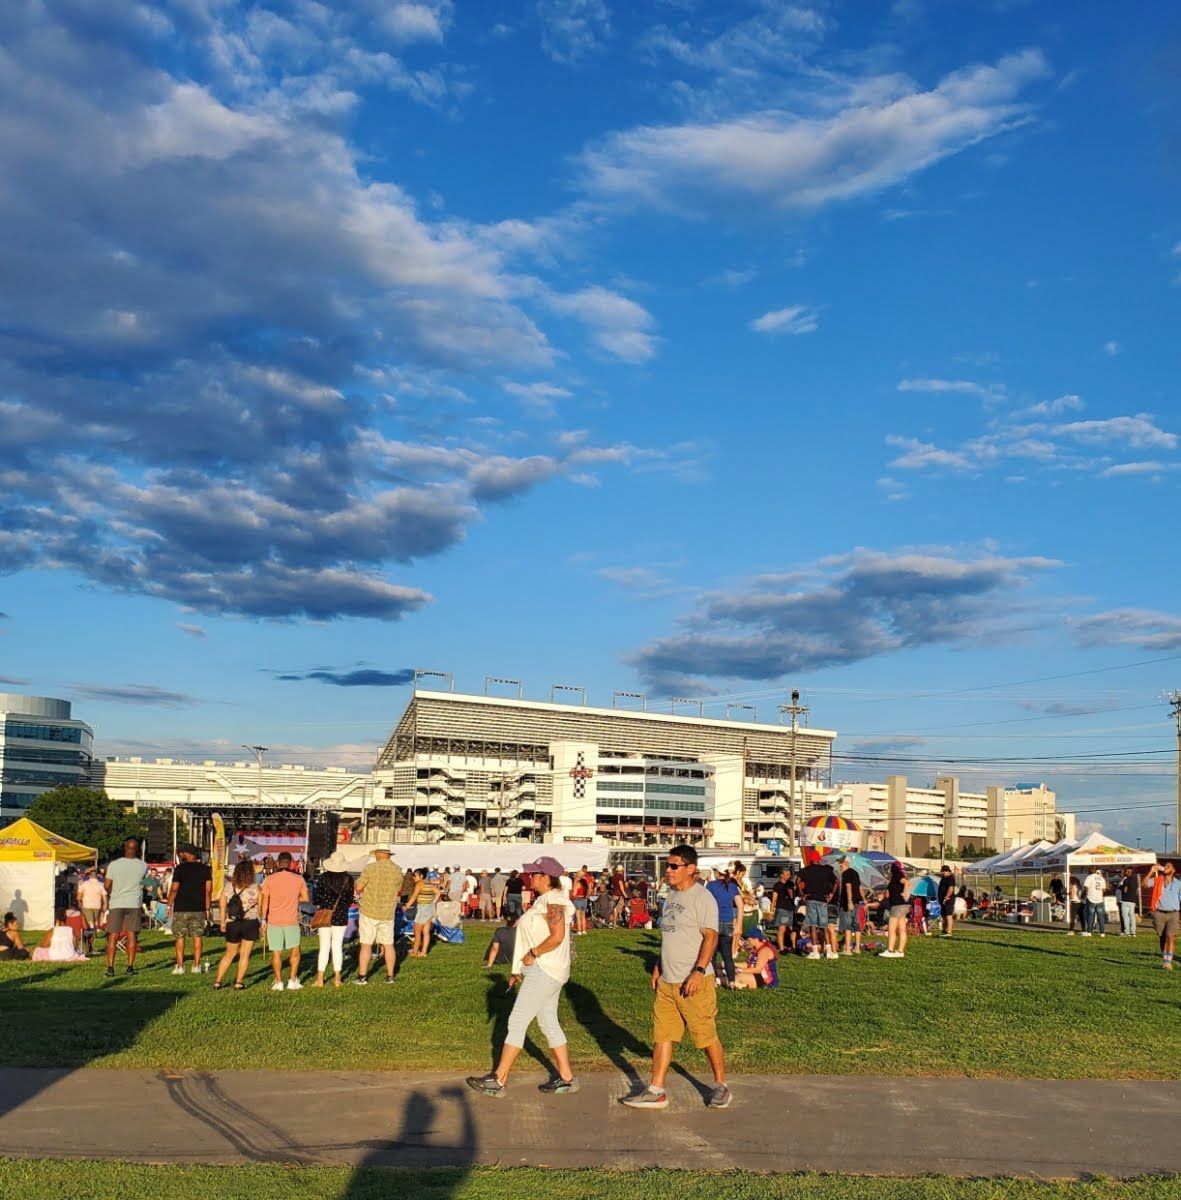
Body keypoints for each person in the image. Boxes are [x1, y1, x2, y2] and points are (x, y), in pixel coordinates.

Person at [622, 844, 730, 1111]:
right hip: (668, 982)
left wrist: (699, 970)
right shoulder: (670, 896)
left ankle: (720, 1086)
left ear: (690, 869)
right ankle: (657, 1090)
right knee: (663, 1035)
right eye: (667, 866)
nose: (668, 871)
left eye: (673, 866)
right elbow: (669, 937)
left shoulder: (702, 898)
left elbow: (711, 937)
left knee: (705, 1036)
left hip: (695, 981)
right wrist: (658, 966)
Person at [467, 857, 578, 1097]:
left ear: (548, 878)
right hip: (544, 969)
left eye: (536, 874)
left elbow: (557, 937)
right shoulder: (544, 900)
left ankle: (499, 1079)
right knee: (548, 1022)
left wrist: (533, 954)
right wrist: (517, 969)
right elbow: (528, 936)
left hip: (545, 969)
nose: (531, 877)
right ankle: (567, 1078)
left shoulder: (555, 901)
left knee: (517, 1021)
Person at [353, 844, 403, 985]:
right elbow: (399, 889)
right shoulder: (397, 870)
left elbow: (359, 887)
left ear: (378, 854)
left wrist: (358, 882)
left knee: (366, 945)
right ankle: (390, 976)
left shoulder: (370, 868)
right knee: (388, 944)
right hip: (387, 912)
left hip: (370, 910)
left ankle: (362, 977)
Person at [259, 851, 308, 991]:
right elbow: (305, 898)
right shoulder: (298, 879)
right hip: (291, 921)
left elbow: (264, 902)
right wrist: (294, 899)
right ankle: (292, 979)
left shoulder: (269, 879)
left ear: (278, 863)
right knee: (295, 950)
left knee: (276, 952)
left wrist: (263, 920)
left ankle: (279, 981)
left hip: (274, 920)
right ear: (291, 863)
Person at [214, 859, 261, 990]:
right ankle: (239, 982)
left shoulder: (229, 887)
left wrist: (223, 922)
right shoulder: (255, 888)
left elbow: (222, 905)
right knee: (245, 955)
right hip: (250, 922)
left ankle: (218, 981)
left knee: (229, 954)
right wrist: (263, 922)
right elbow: (261, 907)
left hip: (232, 922)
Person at [103, 837, 147, 977]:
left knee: (113, 935)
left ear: (125, 847)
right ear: (137, 850)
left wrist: (113, 894)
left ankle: (110, 967)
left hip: (117, 903)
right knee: (131, 935)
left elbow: (107, 886)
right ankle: (130, 966)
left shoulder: (114, 865)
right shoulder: (143, 865)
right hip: (133, 903)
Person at [166, 843, 212, 974]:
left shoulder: (180, 869)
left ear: (187, 853)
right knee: (197, 937)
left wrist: (169, 905)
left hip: (181, 907)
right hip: (199, 908)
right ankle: (196, 966)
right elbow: (208, 890)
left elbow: (174, 888)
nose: (180, 855)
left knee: (180, 937)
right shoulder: (205, 869)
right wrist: (207, 908)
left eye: (181, 853)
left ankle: (180, 966)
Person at [312, 851, 354, 988]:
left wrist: (326, 903)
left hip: (325, 915)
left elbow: (316, 898)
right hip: (341, 916)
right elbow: (349, 900)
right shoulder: (349, 879)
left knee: (324, 947)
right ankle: (337, 978)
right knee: (337, 946)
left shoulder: (323, 878)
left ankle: (319, 979)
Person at [705, 867, 740, 987]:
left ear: (717, 872)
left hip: (714, 922)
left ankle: (713, 980)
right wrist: (739, 923)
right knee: (727, 955)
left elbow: (706, 903)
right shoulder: (732, 886)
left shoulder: (710, 885)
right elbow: (740, 905)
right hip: (728, 922)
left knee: (712, 954)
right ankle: (732, 982)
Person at [800, 855, 839, 960]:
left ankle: (815, 952)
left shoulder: (806, 870)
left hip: (811, 899)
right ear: (819, 859)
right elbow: (836, 882)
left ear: (811, 860)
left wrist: (802, 895)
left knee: (812, 926)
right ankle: (829, 951)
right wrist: (831, 893)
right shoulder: (826, 870)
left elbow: (797, 881)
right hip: (823, 900)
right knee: (824, 926)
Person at [1145, 860, 1180, 969]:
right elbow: (1144, 884)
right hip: (1159, 913)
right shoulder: (1157, 880)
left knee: (1170, 936)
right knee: (1162, 937)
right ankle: (1165, 958)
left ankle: (1168, 962)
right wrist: (1151, 871)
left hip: (1173, 914)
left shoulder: (1178, 884)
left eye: (1169, 866)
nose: (1166, 867)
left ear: (1173, 870)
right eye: (1165, 866)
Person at [880, 862, 911, 958]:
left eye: (889, 869)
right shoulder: (897, 877)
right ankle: (900, 951)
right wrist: (883, 894)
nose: (888, 870)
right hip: (904, 905)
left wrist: (905, 894)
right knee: (902, 929)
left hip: (897, 905)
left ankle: (890, 950)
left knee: (892, 929)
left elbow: (907, 883)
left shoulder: (897, 875)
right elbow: (889, 894)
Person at [406, 867, 438, 958]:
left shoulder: (419, 884)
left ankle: (415, 952)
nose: (413, 877)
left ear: (421, 876)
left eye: (415, 875)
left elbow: (414, 896)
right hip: (430, 908)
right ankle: (423, 952)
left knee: (417, 931)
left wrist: (407, 906)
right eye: (413, 875)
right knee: (426, 932)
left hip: (423, 909)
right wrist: (433, 901)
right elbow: (438, 892)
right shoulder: (429, 883)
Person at [838, 856, 863, 955]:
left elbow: (848, 886)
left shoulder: (846, 873)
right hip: (856, 902)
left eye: (841, 863)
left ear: (846, 863)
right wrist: (864, 900)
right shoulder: (855, 873)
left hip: (848, 903)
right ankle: (857, 948)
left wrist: (849, 900)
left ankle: (847, 949)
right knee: (856, 926)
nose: (840, 865)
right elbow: (860, 887)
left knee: (847, 925)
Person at [76, 868, 106, 938]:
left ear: (89, 874)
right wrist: (105, 903)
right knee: (96, 919)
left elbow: (79, 895)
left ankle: (90, 931)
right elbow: (104, 893)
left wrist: (79, 900)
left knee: (88, 918)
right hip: (97, 904)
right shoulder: (101, 881)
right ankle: (95, 930)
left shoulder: (83, 881)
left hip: (87, 903)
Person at [770, 867, 795, 953]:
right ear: (781, 875)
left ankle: (793, 946)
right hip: (782, 909)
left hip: (791, 909)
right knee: (782, 928)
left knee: (792, 929)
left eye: (789, 874)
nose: (789, 876)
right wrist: (771, 911)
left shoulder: (791, 884)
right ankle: (781, 948)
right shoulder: (778, 885)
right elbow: (774, 899)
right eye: (787, 874)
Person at [1082, 868, 1107, 937]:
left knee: (1090, 915)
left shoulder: (1089, 877)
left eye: (1089, 869)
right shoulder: (1101, 878)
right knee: (1101, 916)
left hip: (1091, 898)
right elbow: (1104, 890)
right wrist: (1101, 895)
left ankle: (1089, 932)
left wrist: (1083, 895)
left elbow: (1086, 888)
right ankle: (1102, 932)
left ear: (1091, 870)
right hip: (1100, 899)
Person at [1116, 868, 1139, 938]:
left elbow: (1125, 890)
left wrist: (1122, 889)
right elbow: (1137, 891)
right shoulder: (1135, 880)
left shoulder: (1126, 880)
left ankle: (1127, 932)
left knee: (1126, 917)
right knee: (1132, 916)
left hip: (1125, 900)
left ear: (1127, 873)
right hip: (1133, 900)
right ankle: (1133, 932)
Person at [937, 865, 957, 937]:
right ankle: (944, 930)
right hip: (942, 899)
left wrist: (946, 897)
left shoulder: (950, 878)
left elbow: (951, 889)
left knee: (949, 915)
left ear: (949, 871)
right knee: (944, 916)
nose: (944, 873)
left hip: (948, 899)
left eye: (945, 871)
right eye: (943, 871)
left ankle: (949, 932)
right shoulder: (943, 878)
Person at [570, 866, 590, 936]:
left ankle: (579, 931)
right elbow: (588, 893)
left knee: (578, 916)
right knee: (583, 916)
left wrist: (571, 893)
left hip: (578, 900)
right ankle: (584, 930)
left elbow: (574, 894)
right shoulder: (585, 884)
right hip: (584, 900)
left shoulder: (578, 884)